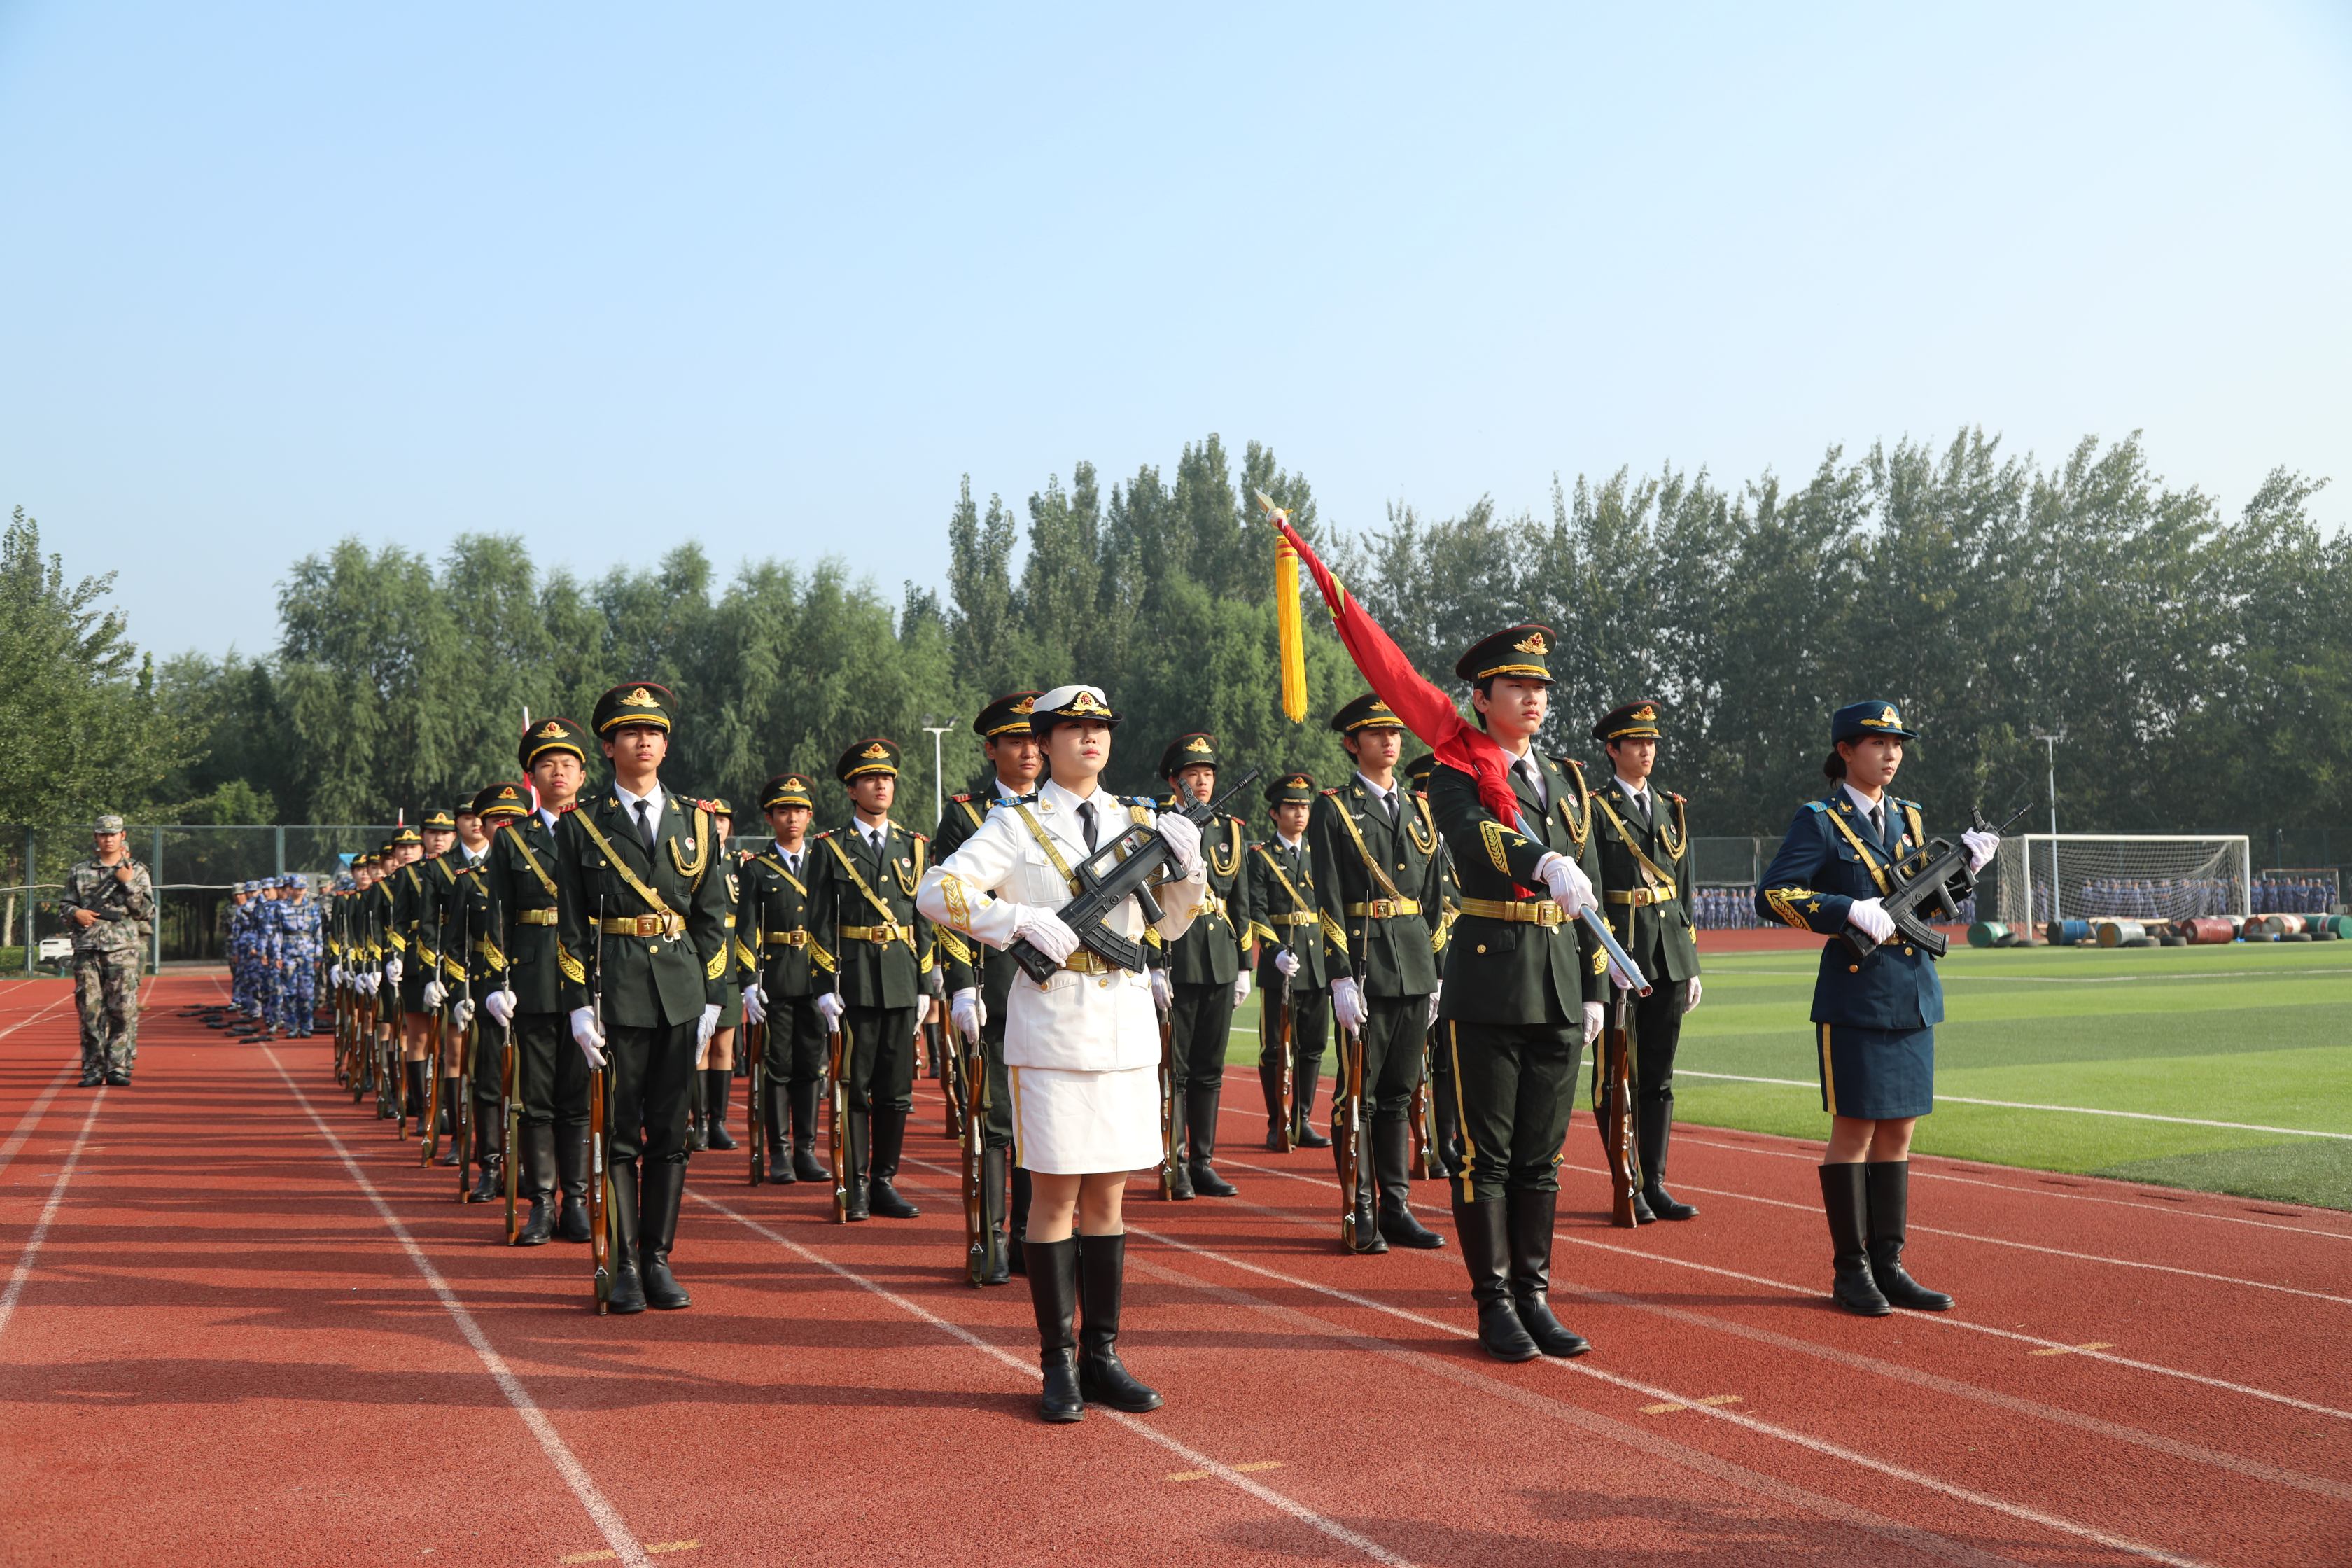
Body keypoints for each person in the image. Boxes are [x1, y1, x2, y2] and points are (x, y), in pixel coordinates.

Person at [916, 683, 1207, 1422]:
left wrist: (1190, 865)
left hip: (1124, 1021)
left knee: (1108, 1197)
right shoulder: (1015, 823)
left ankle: (1102, 1355)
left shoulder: (1138, 821)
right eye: (1074, 728)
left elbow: (1171, 926)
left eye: (1100, 726)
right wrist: (1015, 919)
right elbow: (936, 891)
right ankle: (1057, 1363)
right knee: (1054, 1199)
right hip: (1052, 1025)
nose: (1090, 738)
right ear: (1044, 741)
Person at [1755, 701, 1998, 1316]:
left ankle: (1889, 1264)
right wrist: (1844, 910)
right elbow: (1773, 895)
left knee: (1899, 1130)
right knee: (1855, 1130)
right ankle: (1851, 1270)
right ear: (1846, 751)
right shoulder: (1819, 821)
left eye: (1898, 744)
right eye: (1878, 743)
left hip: (1911, 989)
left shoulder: (1909, 817)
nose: (1891, 754)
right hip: (1856, 992)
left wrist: (1966, 869)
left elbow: (1925, 904)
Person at [1426, 625, 1608, 1362]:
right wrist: (1542, 860)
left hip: (1560, 976)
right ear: (1481, 698)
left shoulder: (1565, 779)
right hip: (1492, 978)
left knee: (1543, 1156)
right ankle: (1494, 1304)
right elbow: (1474, 835)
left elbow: (1591, 886)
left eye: (1540, 687)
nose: (1533, 697)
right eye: (1516, 686)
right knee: (1486, 1156)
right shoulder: (1452, 770)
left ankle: (1534, 1296)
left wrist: (1594, 984)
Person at [554, 683, 732, 1313]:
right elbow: (569, 924)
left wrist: (712, 997)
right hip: (618, 992)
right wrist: (579, 1003)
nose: (644, 742)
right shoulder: (581, 824)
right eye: (630, 733)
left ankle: (659, 1258)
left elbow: (713, 917)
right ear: (609, 747)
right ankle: (625, 1262)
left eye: (654, 732)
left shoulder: (699, 821)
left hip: (680, 992)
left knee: (671, 1133)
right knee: (621, 1132)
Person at [1310, 695, 1447, 1252]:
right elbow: (1327, 897)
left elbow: (1434, 896)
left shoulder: (1420, 808)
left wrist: (1437, 970)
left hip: (1414, 963)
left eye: (1395, 732)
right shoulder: (1334, 809)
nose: (1390, 741)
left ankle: (1398, 1208)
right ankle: (1360, 1208)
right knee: (1359, 1096)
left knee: (1399, 1094)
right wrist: (1340, 976)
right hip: (1365, 964)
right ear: (1353, 744)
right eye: (1375, 734)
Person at [932, 692, 1044, 1280]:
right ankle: (992, 1237)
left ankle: (1032, 1236)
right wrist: (962, 986)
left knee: (1039, 1120)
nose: (1029, 752)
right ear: (991, 750)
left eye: (1034, 740)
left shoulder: (1058, 810)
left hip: (1051, 986)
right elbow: (948, 908)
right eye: (1015, 741)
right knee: (994, 1120)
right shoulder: (965, 816)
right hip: (993, 985)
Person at [808, 738, 938, 1222]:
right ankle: (856, 1182)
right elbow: (818, 922)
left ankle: (884, 1180)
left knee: (896, 1090)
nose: (881, 785)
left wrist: (925, 983)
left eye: (887, 778)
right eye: (870, 778)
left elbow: (924, 919)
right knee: (854, 1085)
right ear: (852, 790)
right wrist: (825, 986)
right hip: (855, 981)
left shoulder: (914, 846)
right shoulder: (831, 848)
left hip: (901, 979)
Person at [1586, 699, 1703, 1222]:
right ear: (1613, 750)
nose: (1647, 751)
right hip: (1622, 954)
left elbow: (1683, 888)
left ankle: (1654, 1182)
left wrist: (1690, 958)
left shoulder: (1671, 807)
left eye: (1652, 742)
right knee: (1617, 1077)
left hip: (1668, 954)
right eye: (1636, 742)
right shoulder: (1595, 808)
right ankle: (1625, 1181)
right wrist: (1602, 954)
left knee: (1659, 1076)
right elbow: (1588, 891)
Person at [1150, 732, 1253, 1200]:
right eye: (1193, 774)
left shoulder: (1231, 829)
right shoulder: (1160, 826)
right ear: (1175, 782)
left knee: (1210, 1068)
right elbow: (1148, 897)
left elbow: (1240, 902)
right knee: (1176, 1070)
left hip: (1221, 960)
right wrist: (1155, 964)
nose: (1203, 782)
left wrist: (1245, 964)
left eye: (1208, 774)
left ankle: (1203, 1162)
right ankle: (1174, 1164)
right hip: (1179, 957)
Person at [738, 773, 834, 1186]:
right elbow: (745, 929)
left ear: (810, 816)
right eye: (783, 811)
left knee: (811, 1067)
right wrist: (748, 981)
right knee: (776, 1068)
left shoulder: (823, 863)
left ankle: (806, 1151)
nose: (791, 818)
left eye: (799, 810)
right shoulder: (757, 869)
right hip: (775, 980)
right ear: (769, 818)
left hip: (815, 981)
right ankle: (778, 1152)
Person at [1248, 773, 1333, 1149]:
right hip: (1279, 964)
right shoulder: (1262, 856)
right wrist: (1276, 951)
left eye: (1304, 806)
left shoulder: (1320, 854)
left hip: (1315, 964)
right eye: (1291, 807)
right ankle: (1277, 1122)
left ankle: (1302, 1121)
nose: (1300, 813)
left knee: (1312, 1047)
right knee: (1274, 1048)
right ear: (1274, 813)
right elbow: (1256, 910)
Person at [60, 815, 154, 1087]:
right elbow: (65, 906)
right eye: (103, 834)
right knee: (90, 1013)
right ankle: (93, 1068)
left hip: (122, 951)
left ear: (123, 836)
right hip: (87, 950)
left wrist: (128, 883)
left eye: (113, 834)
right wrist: (76, 913)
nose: (108, 839)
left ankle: (117, 1067)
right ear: (96, 837)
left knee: (122, 1012)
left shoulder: (136, 871)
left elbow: (147, 912)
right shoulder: (80, 871)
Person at [689, 798, 743, 1153]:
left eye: (724, 819)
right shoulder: (692, 859)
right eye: (714, 819)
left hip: (731, 964)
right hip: (701, 962)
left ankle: (719, 1121)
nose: (719, 824)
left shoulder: (740, 865)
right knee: (702, 1046)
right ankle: (700, 1121)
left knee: (724, 1046)